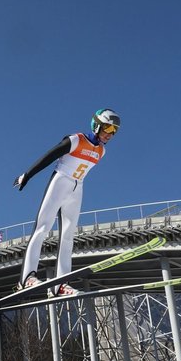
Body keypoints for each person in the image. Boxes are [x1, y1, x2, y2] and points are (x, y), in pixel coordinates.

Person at [13, 108, 121, 295]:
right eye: (107, 129)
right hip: (60, 182)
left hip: (77, 188)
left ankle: (60, 284)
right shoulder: (76, 140)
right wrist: (27, 175)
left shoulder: (101, 151)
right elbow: (49, 156)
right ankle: (26, 278)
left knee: (68, 235)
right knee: (43, 227)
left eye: (114, 131)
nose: (110, 134)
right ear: (96, 125)